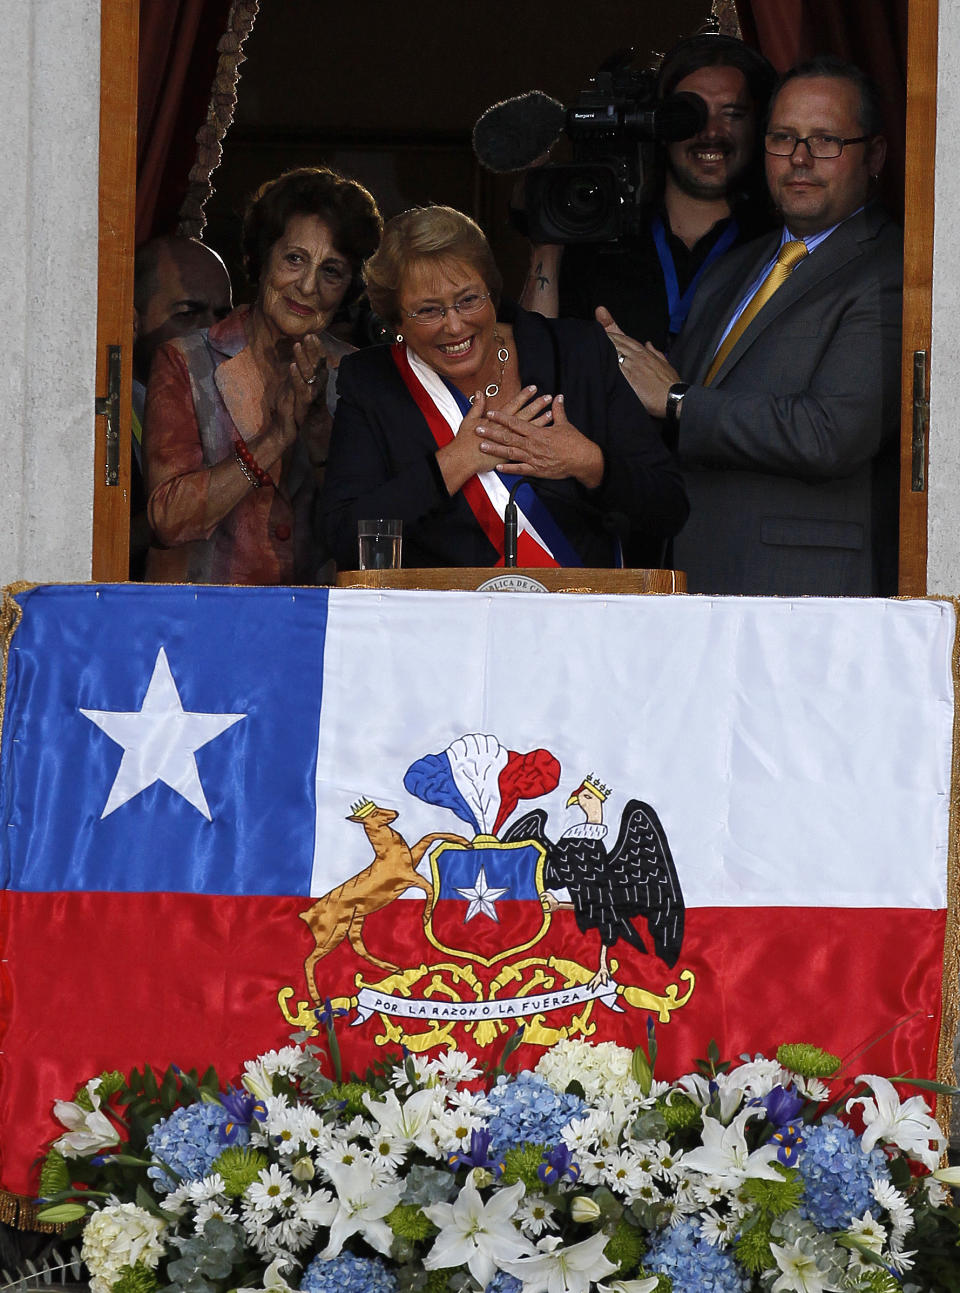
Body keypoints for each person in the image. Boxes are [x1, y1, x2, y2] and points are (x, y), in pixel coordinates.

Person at [606, 57, 902, 596]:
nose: (800, 159)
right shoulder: (738, 267)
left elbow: (830, 435)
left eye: (827, 140)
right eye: (783, 138)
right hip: (693, 578)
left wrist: (675, 398)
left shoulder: (894, 269)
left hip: (809, 590)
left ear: (874, 155)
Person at [319, 205, 688, 570]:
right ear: (395, 319)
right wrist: (455, 461)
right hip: (440, 619)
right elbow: (344, 537)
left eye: (468, 300)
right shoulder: (373, 382)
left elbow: (669, 508)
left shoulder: (576, 354)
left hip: (579, 615)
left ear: (491, 292)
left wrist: (587, 461)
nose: (455, 326)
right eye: (429, 311)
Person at [144, 167, 382, 584]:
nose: (308, 286)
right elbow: (168, 519)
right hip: (199, 624)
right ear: (260, 257)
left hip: (316, 623)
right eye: (295, 259)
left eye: (332, 270)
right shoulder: (186, 362)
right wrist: (274, 438)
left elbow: (368, 532)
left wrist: (318, 431)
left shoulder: (357, 375)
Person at [520, 33, 776, 352]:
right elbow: (535, 365)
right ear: (657, 124)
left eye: (733, 114)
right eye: (689, 114)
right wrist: (547, 242)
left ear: (759, 127)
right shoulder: (599, 243)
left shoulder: (780, 249)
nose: (711, 132)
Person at [130, 236, 233, 578]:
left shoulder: (241, 398)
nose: (209, 333)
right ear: (132, 321)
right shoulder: (103, 413)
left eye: (222, 316)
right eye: (187, 314)